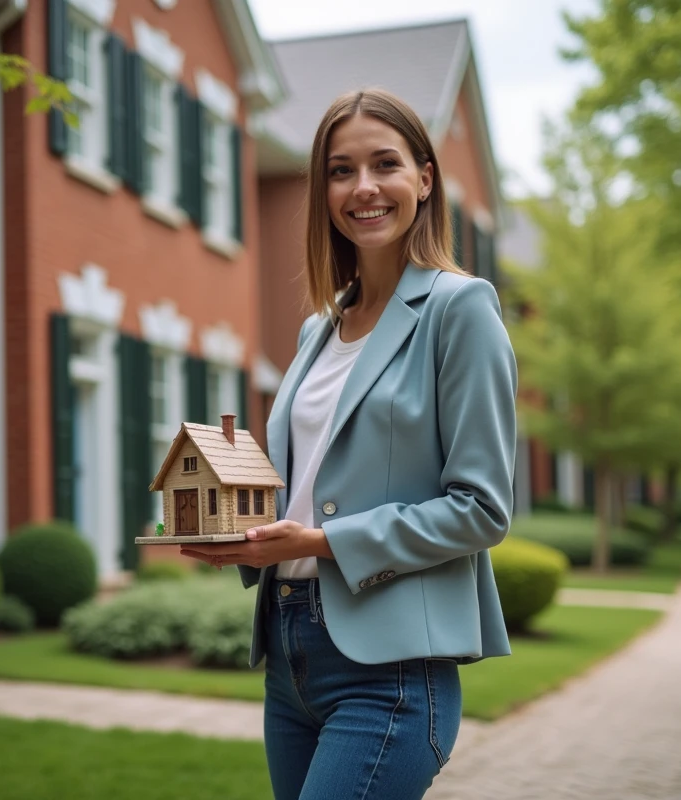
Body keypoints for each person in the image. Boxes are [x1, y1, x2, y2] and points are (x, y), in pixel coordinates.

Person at [180, 87, 518, 800]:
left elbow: (481, 509)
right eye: (340, 170)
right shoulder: (317, 331)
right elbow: (306, 489)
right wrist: (248, 538)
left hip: (390, 666)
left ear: (425, 179)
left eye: (384, 164)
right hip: (289, 653)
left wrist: (313, 543)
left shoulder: (460, 309)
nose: (362, 188)